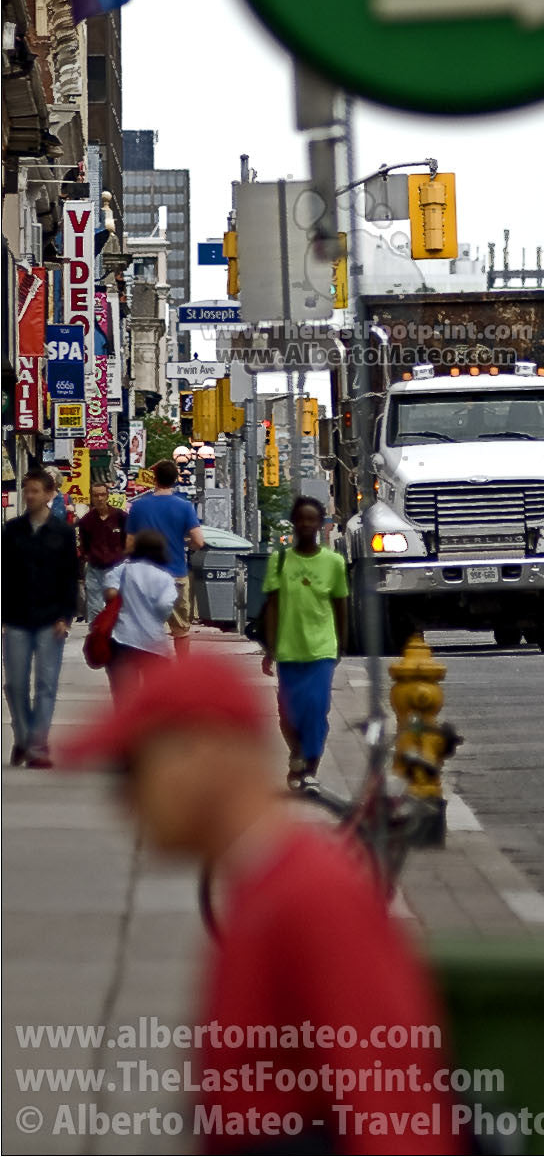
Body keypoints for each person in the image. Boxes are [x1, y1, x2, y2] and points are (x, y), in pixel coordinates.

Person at [62, 649, 468, 1157]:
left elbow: (392, 1107)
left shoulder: (310, 895)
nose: (124, 800)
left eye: (130, 769)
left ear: (203, 750)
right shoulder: (262, 886)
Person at [262, 495, 348, 789]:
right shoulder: (280, 560)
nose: (307, 524)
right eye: (302, 519)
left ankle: (310, 767)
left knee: (317, 708)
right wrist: (270, 647)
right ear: (294, 523)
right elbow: (271, 605)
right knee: (288, 713)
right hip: (288, 648)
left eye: (313, 519)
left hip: (322, 648)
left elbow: (340, 605)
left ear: (320, 523)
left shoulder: (334, 563)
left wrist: (342, 643)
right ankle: (296, 753)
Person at [2, 470, 79, 767]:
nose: (30, 496)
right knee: (15, 685)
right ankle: (22, 736)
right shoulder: (12, 530)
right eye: (27, 490)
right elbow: (5, 576)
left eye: (35, 491)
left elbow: (70, 576)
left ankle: (37, 745)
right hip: (17, 617)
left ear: (50, 494)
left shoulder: (62, 532)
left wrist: (66, 615)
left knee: (46, 683)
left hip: (50, 618)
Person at [126, 458, 204, 658]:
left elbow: (129, 544)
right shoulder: (184, 506)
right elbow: (199, 541)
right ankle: (183, 673)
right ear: (176, 479)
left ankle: (148, 674)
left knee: (146, 629)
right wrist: (184, 543)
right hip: (176, 573)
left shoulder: (138, 507)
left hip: (144, 577)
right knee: (181, 631)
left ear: (154, 479)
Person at [103, 530, 178, 701]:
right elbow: (164, 605)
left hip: (122, 639)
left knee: (124, 697)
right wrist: (156, 617)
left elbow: (110, 589)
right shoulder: (165, 578)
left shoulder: (123, 570)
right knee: (155, 700)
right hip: (154, 644)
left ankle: (125, 726)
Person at [78, 481, 126, 623]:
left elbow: (128, 540)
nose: (99, 498)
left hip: (117, 568)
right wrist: (89, 557)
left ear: (107, 496)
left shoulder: (120, 517)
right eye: (96, 495)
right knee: (95, 607)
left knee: (118, 606)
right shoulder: (86, 521)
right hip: (95, 568)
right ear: (91, 497)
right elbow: (84, 545)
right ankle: (96, 637)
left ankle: (118, 638)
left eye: (102, 495)